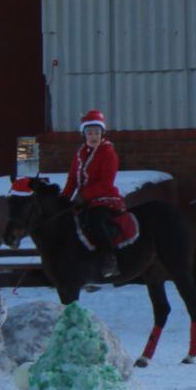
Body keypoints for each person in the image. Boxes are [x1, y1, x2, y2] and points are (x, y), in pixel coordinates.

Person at [63, 109, 126, 278]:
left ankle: (109, 258)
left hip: (103, 198)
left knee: (96, 220)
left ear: (102, 133)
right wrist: (63, 200)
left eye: (97, 132)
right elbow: (72, 180)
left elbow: (106, 182)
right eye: (89, 132)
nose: (93, 136)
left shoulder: (108, 153)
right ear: (84, 134)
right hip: (83, 200)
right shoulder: (80, 154)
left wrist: (83, 196)